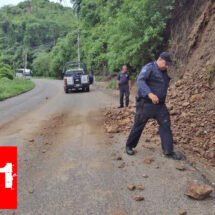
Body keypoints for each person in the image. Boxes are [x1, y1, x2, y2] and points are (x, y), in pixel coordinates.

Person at [125, 52, 185, 160]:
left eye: (168, 65)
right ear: (160, 59)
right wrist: (150, 93)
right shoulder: (149, 68)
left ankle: (168, 151)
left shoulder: (164, 71)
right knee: (138, 125)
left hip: (160, 106)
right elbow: (140, 80)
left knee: (165, 125)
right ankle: (129, 146)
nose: (167, 66)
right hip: (145, 104)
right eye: (166, 63)